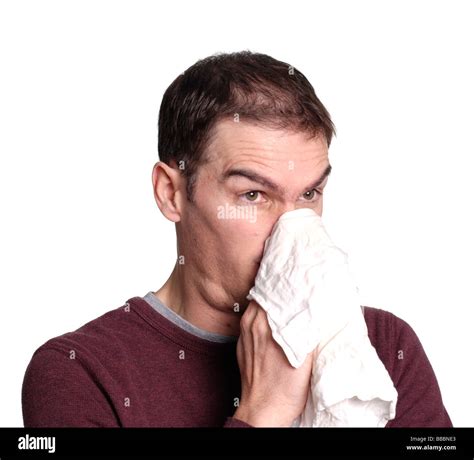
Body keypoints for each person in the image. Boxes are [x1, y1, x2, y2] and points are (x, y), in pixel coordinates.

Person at [22, 51, 452, 428]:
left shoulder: (382, 347)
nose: (291, 228)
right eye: (253, 195)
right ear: (171, 193)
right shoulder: (79, 374)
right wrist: (261, 413)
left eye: (309, 194)